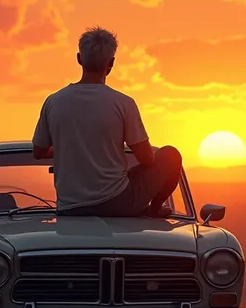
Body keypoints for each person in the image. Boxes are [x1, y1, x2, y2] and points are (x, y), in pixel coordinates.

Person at [32, 26, 182, 218]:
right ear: (111, 63)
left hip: (70, 208)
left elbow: (38, 152)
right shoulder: (123, 103)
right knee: (171, 155)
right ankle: (154, 210)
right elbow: (147, 159)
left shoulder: (53, 102)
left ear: (79, 59)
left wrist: (70, 147)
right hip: (117, 204)